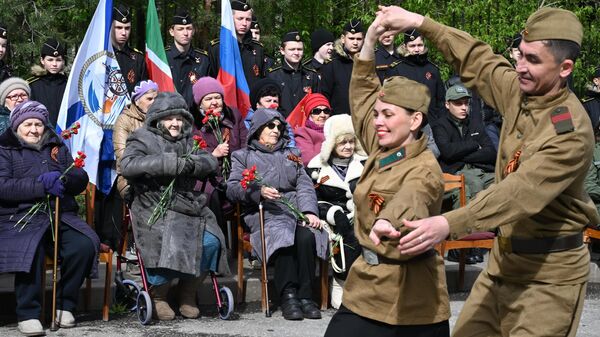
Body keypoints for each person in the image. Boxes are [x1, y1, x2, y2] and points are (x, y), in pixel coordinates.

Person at [378, 6, 600, 337]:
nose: (520, 68)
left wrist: (447, 223)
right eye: (520, 56)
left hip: (549, 281)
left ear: (565, 67)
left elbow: (518, 192)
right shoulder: (521, 90)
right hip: (501, 266)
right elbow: (479, 60)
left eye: (533, 61)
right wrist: (420, 23)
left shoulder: (568, 131)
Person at [324, 16, 449, 337]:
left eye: (388, 115)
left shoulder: (424, 167)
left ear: (415, 120)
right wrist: (369, 42)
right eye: (378, 114)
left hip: (413, 301)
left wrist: (389, 221)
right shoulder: (383, 144)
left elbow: (414, 197)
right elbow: (364, 92)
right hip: (367, 288)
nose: (377, 120)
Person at [120, 92, 230, 320]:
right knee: (168, 239)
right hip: (152, 204)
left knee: (211, 241)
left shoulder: (189, 139)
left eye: (179, 119)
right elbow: (128, 166)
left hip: (187, 203)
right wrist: (168, 164)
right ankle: (159, 294)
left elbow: (210, 160)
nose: (175, 123)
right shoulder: (141, 137)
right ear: (158, 119)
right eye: (170, 118)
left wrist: (192, 165)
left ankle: (187, 292)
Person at [0, 101, 100, 336]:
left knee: (83, 245)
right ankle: (28, 313)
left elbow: (79, 178)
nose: (34, 129)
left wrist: (67, 179)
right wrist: (40, 185)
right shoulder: (5, 149)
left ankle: (65, 304)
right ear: (17, 127)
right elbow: (2, 186)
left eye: (38, 124)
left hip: (59, 215)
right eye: (28, 124)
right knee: (29, 249)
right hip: (20, 217)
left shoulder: (56, 145)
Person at [226, 108, 328, 321]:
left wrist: (309, 211)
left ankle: (306, 296)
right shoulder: (242, 156)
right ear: (258, 129)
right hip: (265, 213)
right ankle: (288, 296)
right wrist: (258, 191)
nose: (276, 130)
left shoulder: (292, 154)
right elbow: (233, 188)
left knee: (307, 235)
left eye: (279, 127)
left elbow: (304, 185)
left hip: (294, 210)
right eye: (270, 126)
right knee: (282, 236)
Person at [305, 114, 366, 310]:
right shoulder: (316, 167)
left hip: (361, 215)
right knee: (349, 235)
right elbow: (311, 198)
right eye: (342, 142)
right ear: (332, 143)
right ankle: (341, 283)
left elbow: (375, 193)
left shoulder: (365, 164)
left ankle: (365, 289)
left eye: (351, 141)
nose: (348, 146)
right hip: (329, 219)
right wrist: (334, 213)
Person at [432, 84, 496, 264]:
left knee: (501, 182)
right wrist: (475, 144)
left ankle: (497, 236)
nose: (463, 107)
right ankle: (465, 243)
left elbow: (491, 152)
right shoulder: (440, 125)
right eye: (458, 103)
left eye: (466, 103)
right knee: (473, 184)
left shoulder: (475, 123)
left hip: (478, 167)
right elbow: (447, 152)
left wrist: (464, 150)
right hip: (454, 173)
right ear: (447, 105)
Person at [192, 76, 248, 233]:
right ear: (199, 102)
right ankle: (219, 240)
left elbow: (245, 143)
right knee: (213, 194)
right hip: (208, 176)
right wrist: (213, 154)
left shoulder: (234, 116)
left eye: (217, 97)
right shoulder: (193, 123)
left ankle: (247, 244)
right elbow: (192, 153)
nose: (214, 102)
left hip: (234, 172)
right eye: (208, 98)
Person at [385, 30, 445, 121]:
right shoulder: (396, 69)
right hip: (405, 124)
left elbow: (441, 102)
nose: (417, 50)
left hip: (432, 124)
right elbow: (389, 102)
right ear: (405, 47)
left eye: (420, 45)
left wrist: (440, 124)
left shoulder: (433, 69)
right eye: (412, 46)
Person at [114, 80, 158, 200]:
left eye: (156, 98)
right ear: (137, 101)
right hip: (131, 179)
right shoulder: (124, 120)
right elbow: (122, 156)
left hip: (160, 174)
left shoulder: (163, 119)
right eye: (149, 99)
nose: (154, 102)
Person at [208, 0, 267, 88]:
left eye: (248, 19)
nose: (244, 23)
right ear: (230, 19)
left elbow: (262, 79)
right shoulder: (217, 48)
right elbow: (211, 79)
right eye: (240, 19)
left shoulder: (258, 48)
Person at [267, 31, 319, 118]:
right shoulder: (273, 75)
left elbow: (317, 102)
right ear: (282, 51)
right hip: (281, 124)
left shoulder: (311, 75)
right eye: (292, 49)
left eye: (299, 49)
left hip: (305, 125)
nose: (296, 53)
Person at [166, 8, 210, 110]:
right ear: (172, 32)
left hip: (196, 118)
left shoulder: (203, 59)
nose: (185, 33)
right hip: (169, 116)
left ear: (193, 31)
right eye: (180, 29)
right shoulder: (163, 57)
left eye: (189, 28)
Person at [320, 19, 364, 115]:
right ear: (343, 39)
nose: (355, 43)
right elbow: (324, 96)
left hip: (364, 120)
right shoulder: (332, 65)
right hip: (339, 122)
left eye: (359, 39)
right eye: (351, 38)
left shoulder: (368, 63)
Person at [28, 38, 68, 127]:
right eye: (50, 60)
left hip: (66, 134)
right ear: (42, 60)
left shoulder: (68, 84)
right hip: (41, 134)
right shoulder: (32, 85)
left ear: (63, 62)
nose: (54, 64)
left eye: (58, 60)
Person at [111, 4, 148, 94]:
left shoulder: (138, 59)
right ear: (110, 27)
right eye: (119, 28)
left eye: (127, 28)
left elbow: (144, 93)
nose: (124, 33)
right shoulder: (101, 55)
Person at [291, 93, 331, 166]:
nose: (322, 115)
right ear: (309, 114)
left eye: (326, 111)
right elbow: (307, 160)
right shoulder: (303, 132)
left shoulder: (335, 130)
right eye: (317, 111)